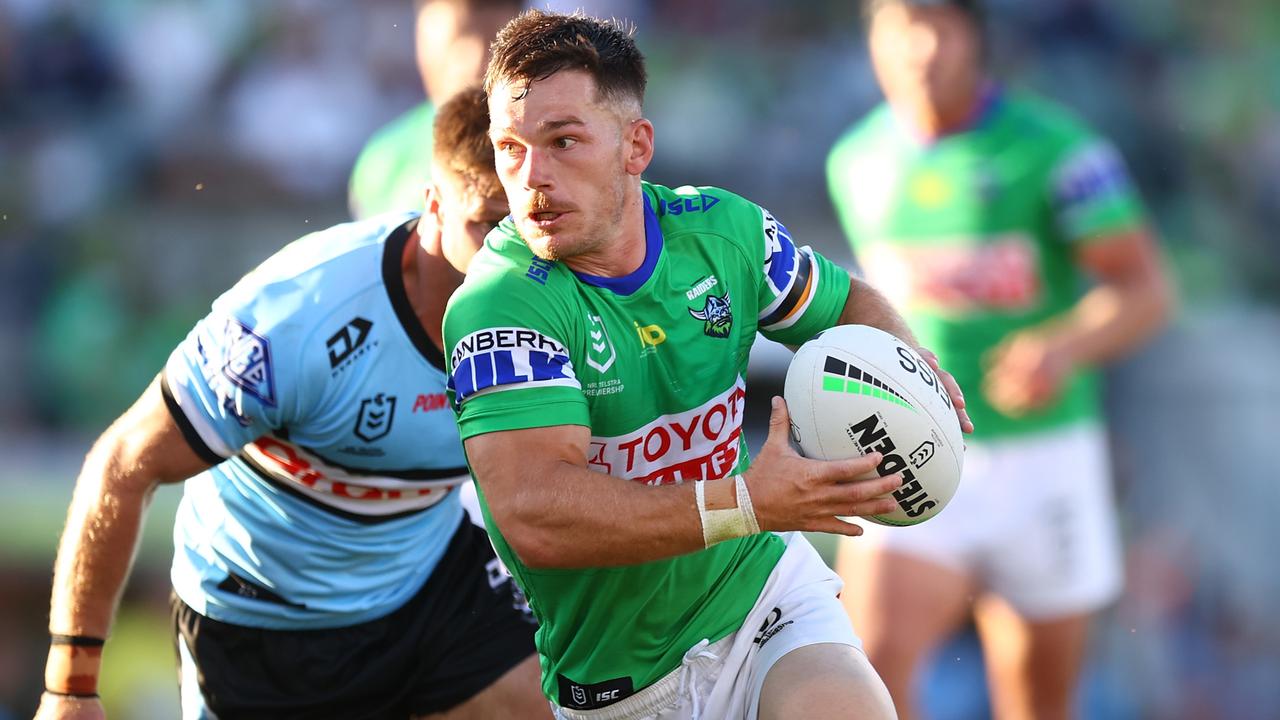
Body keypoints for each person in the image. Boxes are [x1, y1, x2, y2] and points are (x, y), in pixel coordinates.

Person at [443, 10, 973, 720]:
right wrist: (749, 502)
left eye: (564, 141)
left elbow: (848, 307)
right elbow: (536, 516)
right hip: (621, 680)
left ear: (637, 147)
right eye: (511, 148)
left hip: (759, 599)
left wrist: (915, 376)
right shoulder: (500, 306)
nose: (532, 176)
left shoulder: (725, 233)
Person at [36, 88, 551, 720]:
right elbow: (123, 464)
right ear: (433, 206)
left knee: (553, 700)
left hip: (427, 578)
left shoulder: (564, 292)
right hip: (263, 618)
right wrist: (70, 686)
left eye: (525, 227)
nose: (510, 256)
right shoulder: (297, 318)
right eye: (486, 225)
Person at [826, 1, 1174, 718]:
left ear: (975, 39)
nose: (920, 49)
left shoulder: (1060, 153)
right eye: (901, 27)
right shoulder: (854, 161)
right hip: (916, 450)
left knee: (1036, 702)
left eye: (939, 26)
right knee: (867, 671)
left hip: (1044, 460)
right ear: (873, 42)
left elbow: (1145, 290)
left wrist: (1063, 346)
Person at [349, 0, 522, 220]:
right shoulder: (385, 159)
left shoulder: (541, 146)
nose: (476, 62)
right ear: (422, 42)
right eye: (457, 42)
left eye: (494, 43)